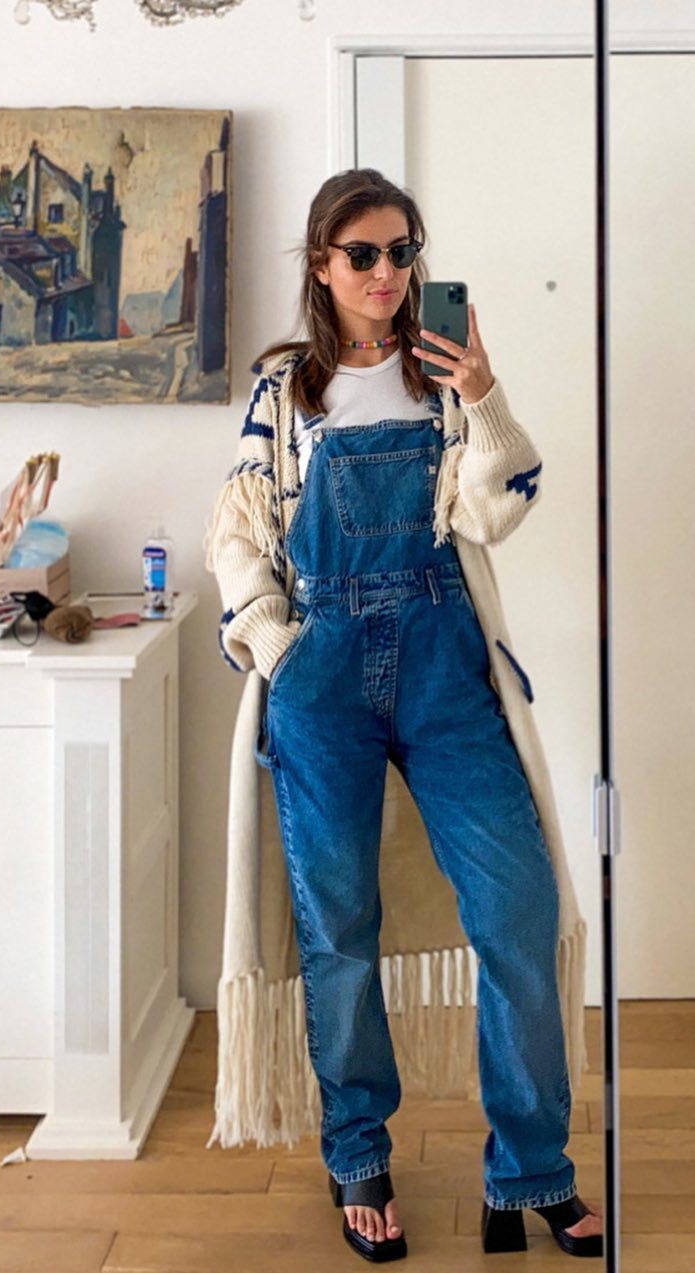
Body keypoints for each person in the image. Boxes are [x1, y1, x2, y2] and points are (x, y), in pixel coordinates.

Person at [205, 168, 603, 1262]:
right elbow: (236, 533)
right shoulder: (282, 390)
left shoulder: (444, 375)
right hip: (321, 673)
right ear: (321, 265)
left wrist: (484, 392)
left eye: (402, 251)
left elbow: (500, 507)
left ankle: (530, 1167)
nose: (387, 273)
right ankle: (358, 1157)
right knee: (339, 928)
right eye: (363, 255)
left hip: (442, 664)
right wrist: (277, 646)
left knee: (518, 909)